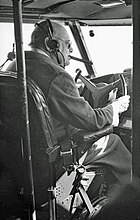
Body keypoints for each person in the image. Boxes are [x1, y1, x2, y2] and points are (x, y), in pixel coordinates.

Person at [6, 19, 131, 217]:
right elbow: (92, 120)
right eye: (67, 45)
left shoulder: (12, 67)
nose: (70, 51)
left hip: (17, 162)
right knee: (112, 142)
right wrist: (114, 109)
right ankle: (137, 200)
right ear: (51, 44)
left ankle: (65, 202)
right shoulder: (56, 74)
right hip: (52, 162)